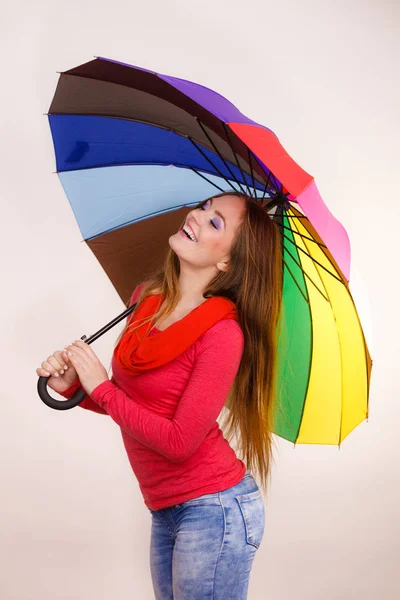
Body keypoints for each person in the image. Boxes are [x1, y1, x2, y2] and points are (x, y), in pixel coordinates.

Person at [36, 191, 283, 599]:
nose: (197, 216)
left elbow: (178, 441)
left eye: (216, 222)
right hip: (164, 508)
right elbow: (137, 405)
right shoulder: (145, 299)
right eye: (204, 207)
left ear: (227, 262)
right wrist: (76, 389)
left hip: (215, 510)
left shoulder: (223, 335)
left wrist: (97, 385)